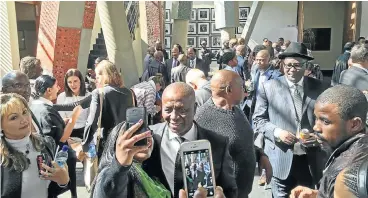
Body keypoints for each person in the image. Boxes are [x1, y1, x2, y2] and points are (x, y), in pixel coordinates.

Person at [253, 42, 330, 198]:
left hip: (310, 160)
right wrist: (277, 132)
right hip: (280, 157)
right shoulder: (268, 87)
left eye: (296, 65)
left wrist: (319, 136)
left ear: (306, 66)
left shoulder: (321, 87)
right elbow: (258, 120)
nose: (291, 70)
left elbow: (328, 120)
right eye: (287, 65)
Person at [143, 82, 238, 198]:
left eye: (182, 110)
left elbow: (230, 191)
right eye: (167, 110)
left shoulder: (218, 144)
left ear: (195, 108)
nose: (173, 117)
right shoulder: (149, 137)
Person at [195, 70, 272, 198]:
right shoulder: (204, 119)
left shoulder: (236, 110)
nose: (245, 89)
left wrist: (260, 155)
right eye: (241, 86)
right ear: (229, 90)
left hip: (242, 192)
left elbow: (243, 141)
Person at [289, 85, 368, 198]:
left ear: (354, 124)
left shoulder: (347, 175)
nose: (316, 127)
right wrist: (318, 194)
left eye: (325, 121)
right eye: (316, 118)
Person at [0, 93, 69, 198]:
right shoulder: (2, 158)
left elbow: (53, 189)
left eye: (24, 112)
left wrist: (63, 181)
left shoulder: (46, 144)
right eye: (14, 117)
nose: (24, 120)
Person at [30, 75, 82, 198]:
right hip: (57, 155)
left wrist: (61, 122)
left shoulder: (34, 106)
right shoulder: (47, 110)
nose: (58, 88)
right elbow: (61, 138)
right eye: (56, 86)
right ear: (48, 90)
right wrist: (74, 118)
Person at [82, 60, 135, 158]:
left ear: (104, 75)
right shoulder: (128, 93)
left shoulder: (99, 93)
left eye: (97, 76)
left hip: (106, 143)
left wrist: (85, 145)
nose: (96, 80)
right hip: (125, 141)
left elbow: (92, 121)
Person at [245, 49, 282, 121]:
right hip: (254, 105)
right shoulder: (256, 70)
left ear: (269, 60)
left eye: (262, 60)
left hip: (267, 108)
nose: (258, 62)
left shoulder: (276, 75)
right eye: (257, 60)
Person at [57, 69, 91, 139]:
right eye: (69, 82)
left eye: (75, 81)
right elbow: (61, 118)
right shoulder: (61, 96)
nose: (73, 85)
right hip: (67, 131)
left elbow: (90, 118)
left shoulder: (89, 96)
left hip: (84, 131)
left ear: (81, 81)